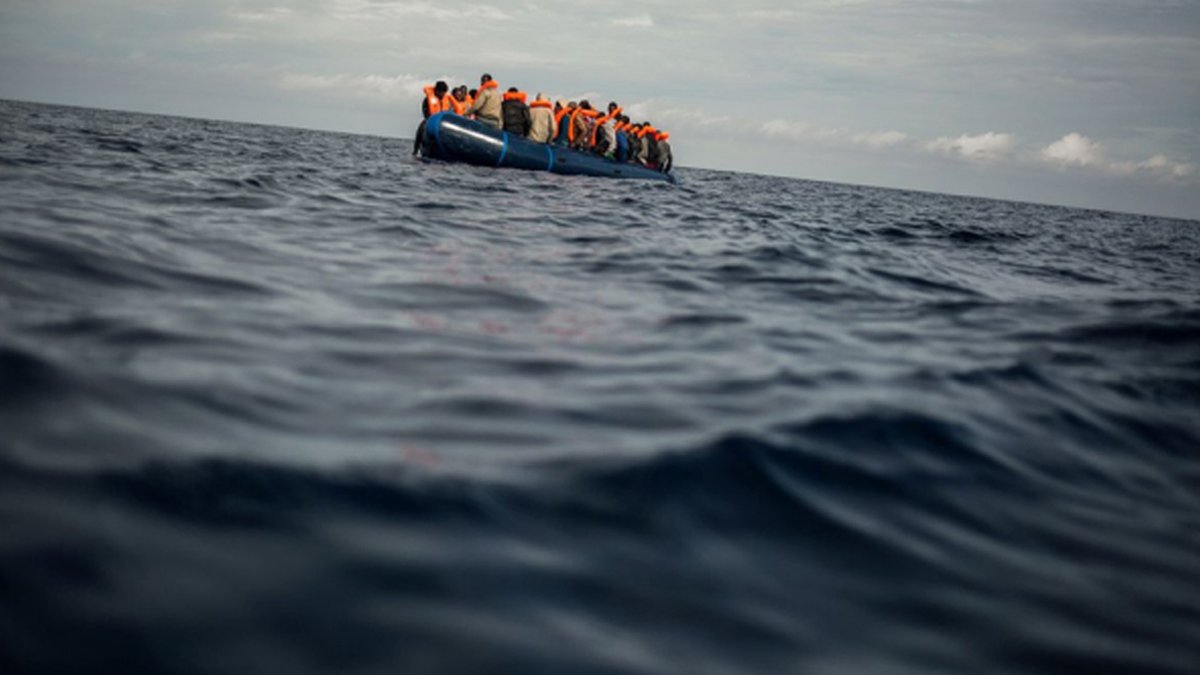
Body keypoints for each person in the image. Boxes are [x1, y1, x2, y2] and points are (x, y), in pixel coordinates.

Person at [413, 80, 449, 156]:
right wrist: (428, 118)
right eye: (441, 92)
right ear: (437, 91)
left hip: (442, 123)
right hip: (430, 120)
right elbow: (425, 109)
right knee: (421, 127)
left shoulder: (446, 101)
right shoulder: (427, 99)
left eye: (444, 92)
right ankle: (415, 150)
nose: (443, 94)